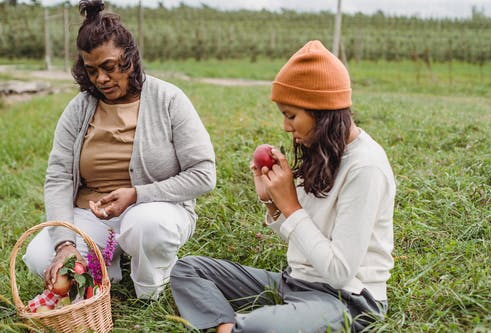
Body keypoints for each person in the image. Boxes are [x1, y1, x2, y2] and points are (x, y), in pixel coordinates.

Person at [170, 40, 396, 332]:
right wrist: (274, 205)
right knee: (188, 269)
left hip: (348, 300)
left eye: (291, 115)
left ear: (321, 111)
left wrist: (290, 205)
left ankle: (239, 328)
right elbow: (304, 237)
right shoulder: (324, 151)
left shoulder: (366, 167)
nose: (286, 127)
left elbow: (339, 272)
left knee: (260, 328)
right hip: (295, 283)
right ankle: (229, 327)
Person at [23, 0, 216, 300]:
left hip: (153, 209)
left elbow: (204, 174)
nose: (101, 78)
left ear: (130, 59)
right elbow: (59, 177)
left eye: (109, 67)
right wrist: (65, 243)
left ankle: (150, 291)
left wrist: (137, 195)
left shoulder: (168, 99)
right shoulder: (78, 110)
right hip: (92, 214)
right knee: (39, 256)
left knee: (145, 225)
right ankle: (107, 269)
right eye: (92, 70)